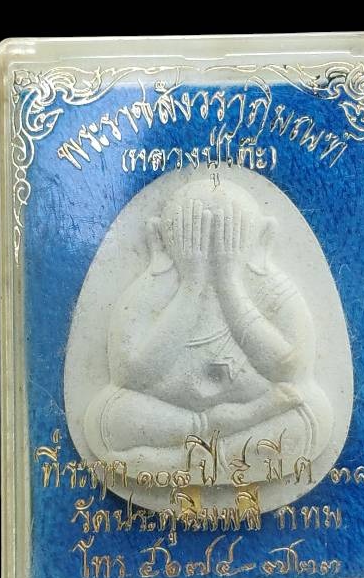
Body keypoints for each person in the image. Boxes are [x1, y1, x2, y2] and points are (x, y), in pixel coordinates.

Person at [84, 179, 332, 477]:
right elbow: (130, 374)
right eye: (194, 236)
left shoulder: (270, 288)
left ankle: (176, 463)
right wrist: (192, 285)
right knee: (106, 416)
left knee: (311, 412)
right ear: (160, 239)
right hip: (170, 416)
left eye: (229, 237)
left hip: (256, 412)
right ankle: (209, 441)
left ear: (261, 237)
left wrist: (229, 284)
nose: (211, 249)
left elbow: (290, 368)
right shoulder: (152, 289)